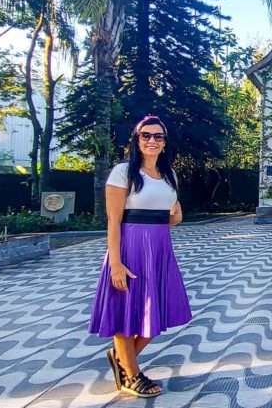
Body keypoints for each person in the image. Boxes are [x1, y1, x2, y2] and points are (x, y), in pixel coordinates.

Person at [88, 115, 192, 397]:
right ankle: (131, 374)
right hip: (131, 247)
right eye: (146, 135)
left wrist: (176, 215)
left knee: (157, 312)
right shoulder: (123, 173)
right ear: (136, 139)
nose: (152, 141)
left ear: (165, 142)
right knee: (125, 311)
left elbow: (171, 211)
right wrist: (116, 264)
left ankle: (123, 357)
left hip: (159, 249)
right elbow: (113, 221)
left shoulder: (169, 174)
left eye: (158, 136)